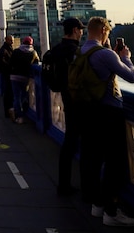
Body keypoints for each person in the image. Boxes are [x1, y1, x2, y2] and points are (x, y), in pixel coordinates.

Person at [75, 17, 134, 227]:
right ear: (103, 30)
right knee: (115, 162)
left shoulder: (80, 52)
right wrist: (126, 57)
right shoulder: (105, 54)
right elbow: (131, 77)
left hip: (88, 111)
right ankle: (111, 212)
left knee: (94, 158)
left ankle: (97, 205)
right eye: (108, 33)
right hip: (109, 112)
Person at [50, 17, 84, 196]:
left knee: (69, 142)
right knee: (85, 143)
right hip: (81, 100)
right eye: (80, 29)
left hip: (64, 97)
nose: (82, 32)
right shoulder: (77, 51)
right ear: (75, 30)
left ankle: (63, 183)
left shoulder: (56, 50)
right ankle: (88, 187)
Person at [8, 36, 39, 124]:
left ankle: (18, 115)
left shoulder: (16, 51)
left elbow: (10, 63)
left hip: (14, 76)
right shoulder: (33, 53)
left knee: (16, 97)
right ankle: (19, 112)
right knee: (24, 96)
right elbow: (36, 62)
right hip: (25, 78)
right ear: (31, 44)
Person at [0, 36, 15, 118]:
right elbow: (2, 62)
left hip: (8, 74)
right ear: (6, 40)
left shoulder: (8, 49)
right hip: (7, 74)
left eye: (13, 40)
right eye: (11, 40)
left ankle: (10, 111)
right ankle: (8, 111)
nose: (12, 42)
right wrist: (10, 67)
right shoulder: (4, 50)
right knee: (8, 94)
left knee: (9, 93)